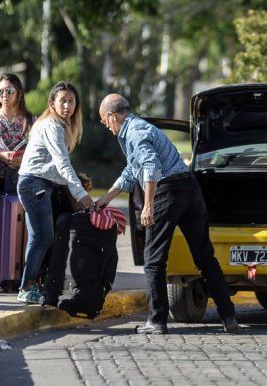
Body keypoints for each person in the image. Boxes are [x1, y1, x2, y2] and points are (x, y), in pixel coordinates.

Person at [94, 93, 238, 334]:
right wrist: (105, 200)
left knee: (153, 260)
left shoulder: (134, 132)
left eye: (104, 121)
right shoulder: (140, 128)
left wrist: (148, 205)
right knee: (205, 257)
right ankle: (228, 316)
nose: (106, 126)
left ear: (112, 116)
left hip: (168, 191)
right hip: (190, 189)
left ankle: (157, 320)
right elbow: (132, 170)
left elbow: (150, 167)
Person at [16, 81, 93, 304]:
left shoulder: (60, 125)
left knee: (39, 237)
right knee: (43, 237)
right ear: (52, 102)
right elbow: (62, 164)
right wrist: (80, 194)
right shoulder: (52, 126)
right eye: (62, 101)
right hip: (34, 185)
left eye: (71, 101)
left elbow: (59, 167)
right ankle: (26, 288)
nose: (67, 106)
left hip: (37, 184)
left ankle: (31, 286)